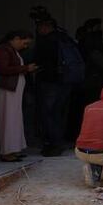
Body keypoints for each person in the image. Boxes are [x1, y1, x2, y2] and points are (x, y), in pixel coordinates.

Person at [33, 14, 83, 157]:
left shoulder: (47, 41)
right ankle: (58, 142)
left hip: (50, 82)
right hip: (66, 81)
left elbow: (40, 60)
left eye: (40, 27)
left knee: (48, 114)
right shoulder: (66, 39)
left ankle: (53, 144)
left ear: (46, 27)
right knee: (58, 113)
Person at [0, 30, 37, 162]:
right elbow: (3, 69)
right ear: (16, 38)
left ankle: (13, 149)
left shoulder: (10, 50)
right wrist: (25, 68)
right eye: (24, 43)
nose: (25, 46)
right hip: (7, 88)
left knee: (14, 119)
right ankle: (7, 151)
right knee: (8, 119)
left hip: (13, 89)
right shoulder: (3, 49)